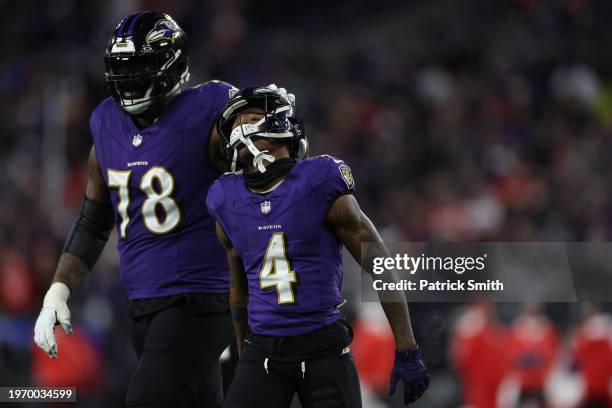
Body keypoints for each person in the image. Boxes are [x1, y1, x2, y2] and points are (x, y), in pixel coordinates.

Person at [32, 11, 269, 408]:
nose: (128, 78)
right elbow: (93, 222)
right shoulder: (107, 124)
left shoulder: (210, 111)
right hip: (143, 306)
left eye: (139, 67)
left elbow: (273, 158)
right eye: (122, 68)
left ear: (171, 66)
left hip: (199, 299)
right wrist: (57, 291)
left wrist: (261, 135)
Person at [206, 86, 429, 407]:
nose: (241, 129)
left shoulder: (320, 180)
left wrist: (408, 347)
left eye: (251, 118)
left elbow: (379, 262)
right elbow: (239, 292)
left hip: (323, 348)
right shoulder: (225, 198)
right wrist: (244, 359)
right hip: (263, 350)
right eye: (235, 123)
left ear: (281, 125)